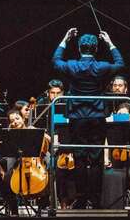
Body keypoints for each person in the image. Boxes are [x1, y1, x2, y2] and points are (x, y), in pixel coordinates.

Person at [52, 27, 124, 208]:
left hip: (77, 117)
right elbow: (120, 63)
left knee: (80, 158)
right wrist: (110, 43)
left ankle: (82, 198)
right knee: (96, 158)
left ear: (79, 48)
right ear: (96, 49)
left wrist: (64, 39)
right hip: (97, 116)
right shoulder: (102, 67)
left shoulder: (72, 66)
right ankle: (96, 198)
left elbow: (55, 60)